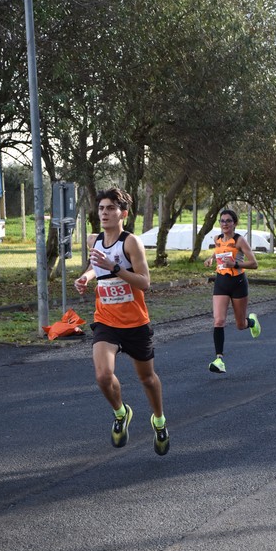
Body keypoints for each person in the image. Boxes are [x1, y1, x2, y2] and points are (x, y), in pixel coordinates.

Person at [74, 188, 169, 455]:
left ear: (123, 214)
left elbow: (145, 282)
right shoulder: (94, 240)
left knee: (147, 378)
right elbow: (97, 266)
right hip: (106, 321)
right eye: (102, 208)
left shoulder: (131, 243)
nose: (104, 213)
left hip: (136, 323)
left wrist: (116, 267)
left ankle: (159, 420)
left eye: (110, 209)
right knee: (103, 375)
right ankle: (120, 413)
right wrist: (87, 277)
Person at [204, 209, 261, 373]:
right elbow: (219, 251)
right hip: (221, 282)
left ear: (234, 223)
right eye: (222, 221)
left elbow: (254, 263)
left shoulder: (240, 241)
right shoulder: (217, 239)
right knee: (219, 321)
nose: (225, 224)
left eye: (228, 221)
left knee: (240, 325)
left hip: (238, 283)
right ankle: (219, 359)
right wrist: (211, 258)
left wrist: (235, 265)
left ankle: (251, 321)